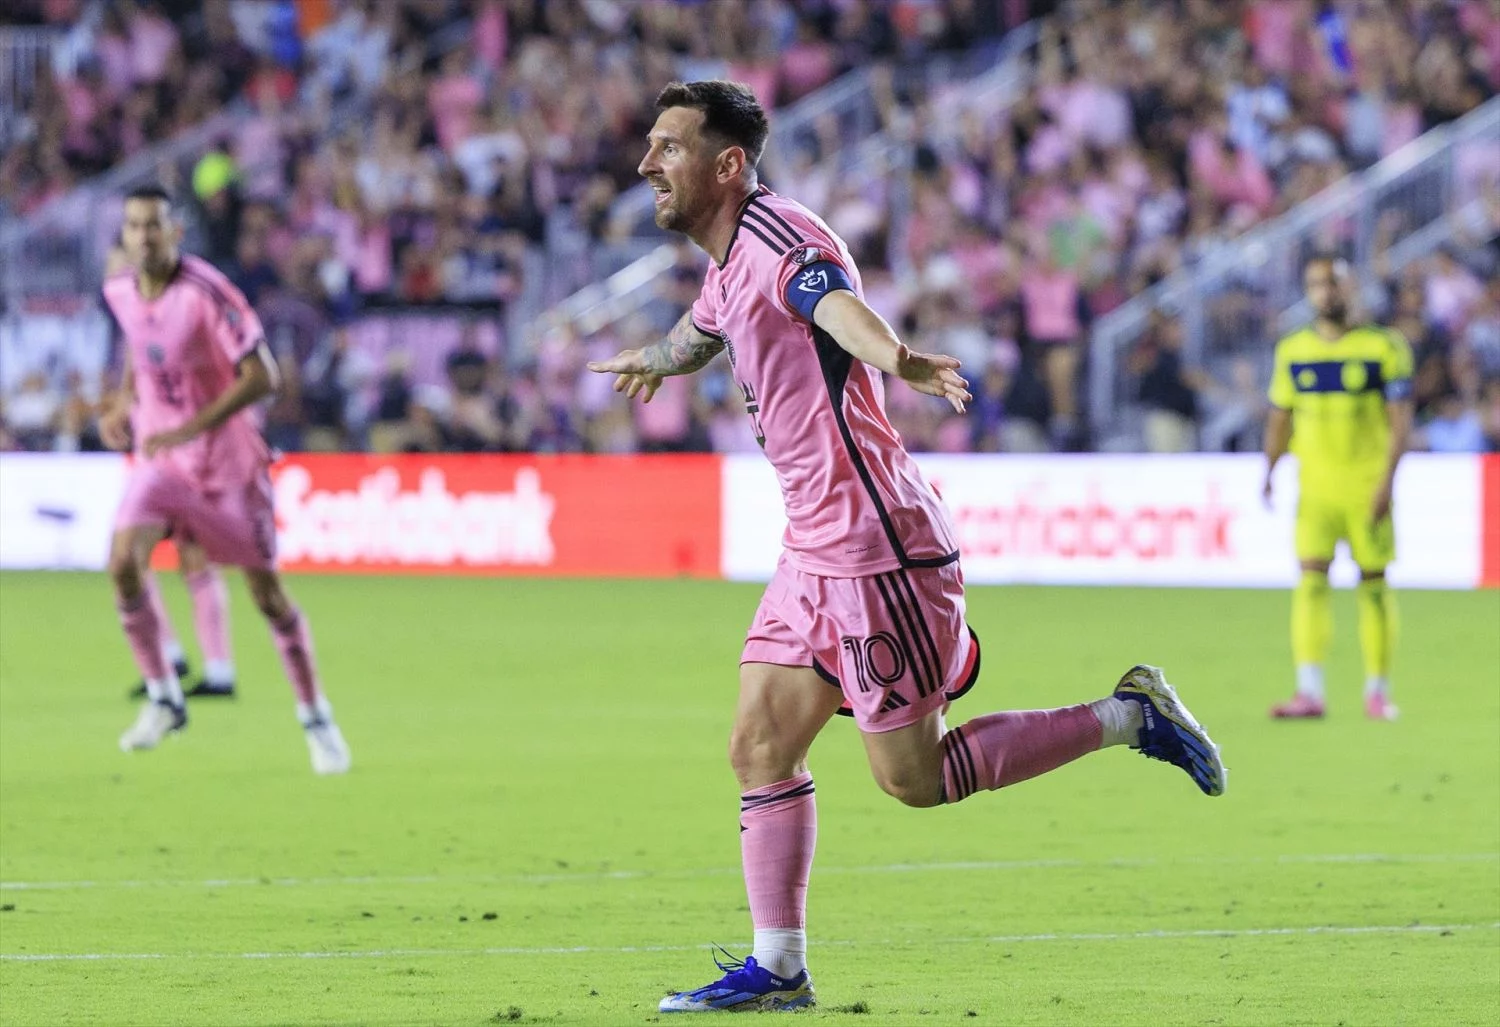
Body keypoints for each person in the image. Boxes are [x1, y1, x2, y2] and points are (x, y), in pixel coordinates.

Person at [588, 81, 1226, 1014]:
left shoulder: (782, 240)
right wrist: (655, 358)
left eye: (668, 147)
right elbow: (707, 328)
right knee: (760, 744)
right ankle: (778, 969)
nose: (647, 162)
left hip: (877, 547)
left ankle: (1131, 713)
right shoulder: (729, 259)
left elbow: (836, 308)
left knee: (915, 780)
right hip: (813, 549)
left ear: (726, 166)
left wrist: (897, 357)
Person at [98, 185, 351, 774]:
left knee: (268, 597)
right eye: (134, 226)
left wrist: (189, 428)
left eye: (154, 225)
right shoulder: (120, 290)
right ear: (125, 235)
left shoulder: (208, 292)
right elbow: (141, 345)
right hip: (162, 461)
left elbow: (264, 377)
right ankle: (164, 695)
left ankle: (316, 717)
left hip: (227, 466)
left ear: (176, 232)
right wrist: (123, 403)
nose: (144, 237)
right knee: (123, 562)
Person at [1262, 256, 1413, 721]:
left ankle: (1377, 690)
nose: (1325, 292)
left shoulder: (1383, 347)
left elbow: (1400, 422)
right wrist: (1269, 469)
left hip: (1366, 487)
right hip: (1315, 490)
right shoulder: (1293, 350)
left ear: (1351, 287)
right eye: (1315, 283)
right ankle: (1309, 691)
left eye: (1332, 282)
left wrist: (1387, 481)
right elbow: (1280, 417)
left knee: (1373, 585)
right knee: (1310, 581)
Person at [104, 235, 240, 703]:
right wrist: (124, 405)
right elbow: (138, 373)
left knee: (184, 555)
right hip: (157, 457)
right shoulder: (139, 326)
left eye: (119, 269)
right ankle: (174, 657)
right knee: (131, 557)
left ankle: (216, 670)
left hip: (191, 456)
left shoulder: (183, 316)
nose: (113, 280)